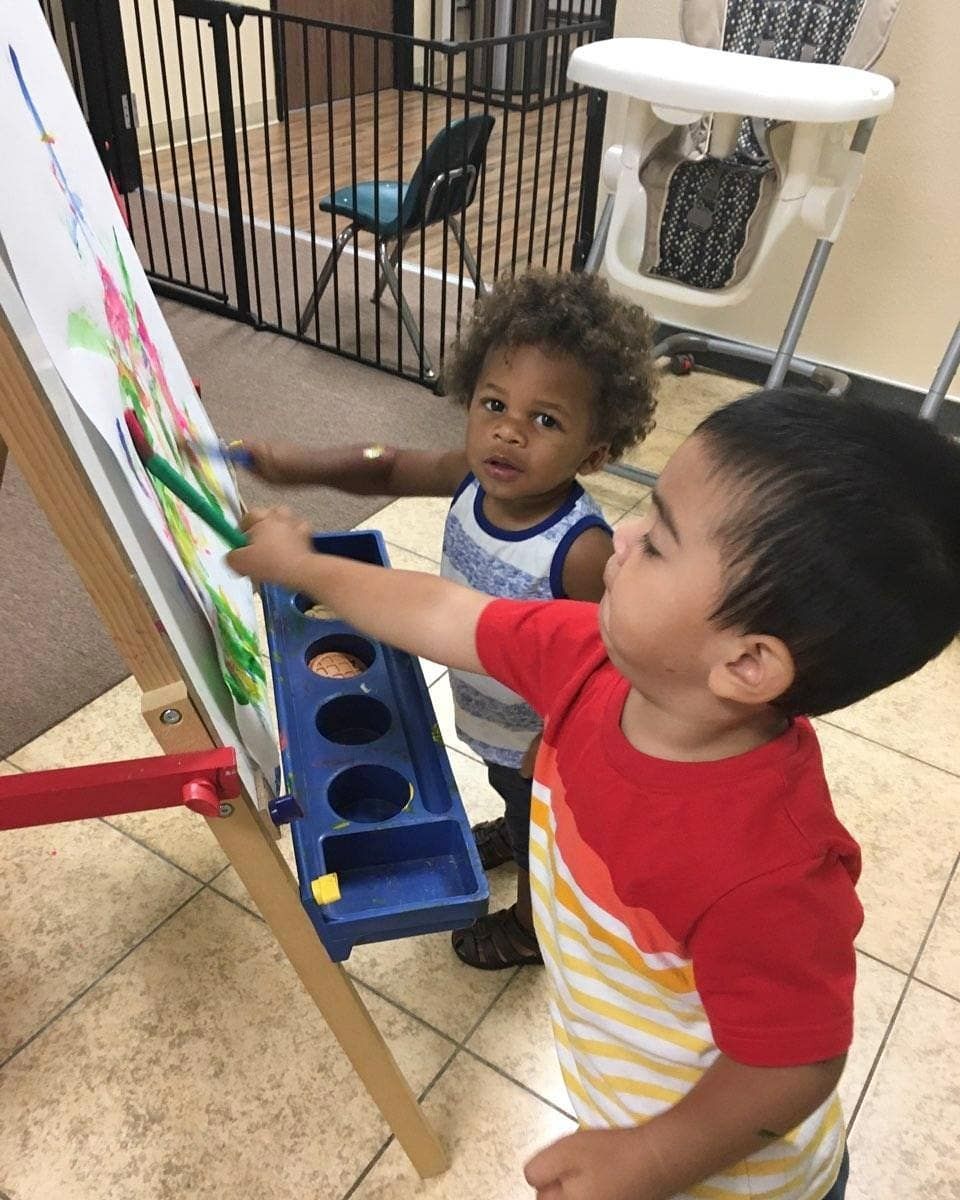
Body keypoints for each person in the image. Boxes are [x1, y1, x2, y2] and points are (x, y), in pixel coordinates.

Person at [228, 388, 960, 1200]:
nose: (625, 532)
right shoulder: (592, 658)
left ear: (748, 664)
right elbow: (448, 612)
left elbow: (793, 1063)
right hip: (621, 1094)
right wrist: (306, 569)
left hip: (729, 1176)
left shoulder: (770, 870)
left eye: (659, 541)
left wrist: (650, 1160)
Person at [239, 269, 657, 969]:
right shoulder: (471, 473)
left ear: (595, 453)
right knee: (509, 796)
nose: (508, 431)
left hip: (541, 739)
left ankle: (529, 929)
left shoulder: (581, 551)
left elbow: (606, 665)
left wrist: (550, 746)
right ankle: (512, 821)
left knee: (540, 835)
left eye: (544, 420)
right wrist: (295, 464)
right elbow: (388, 466)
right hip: (492, 713)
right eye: (495, 402)